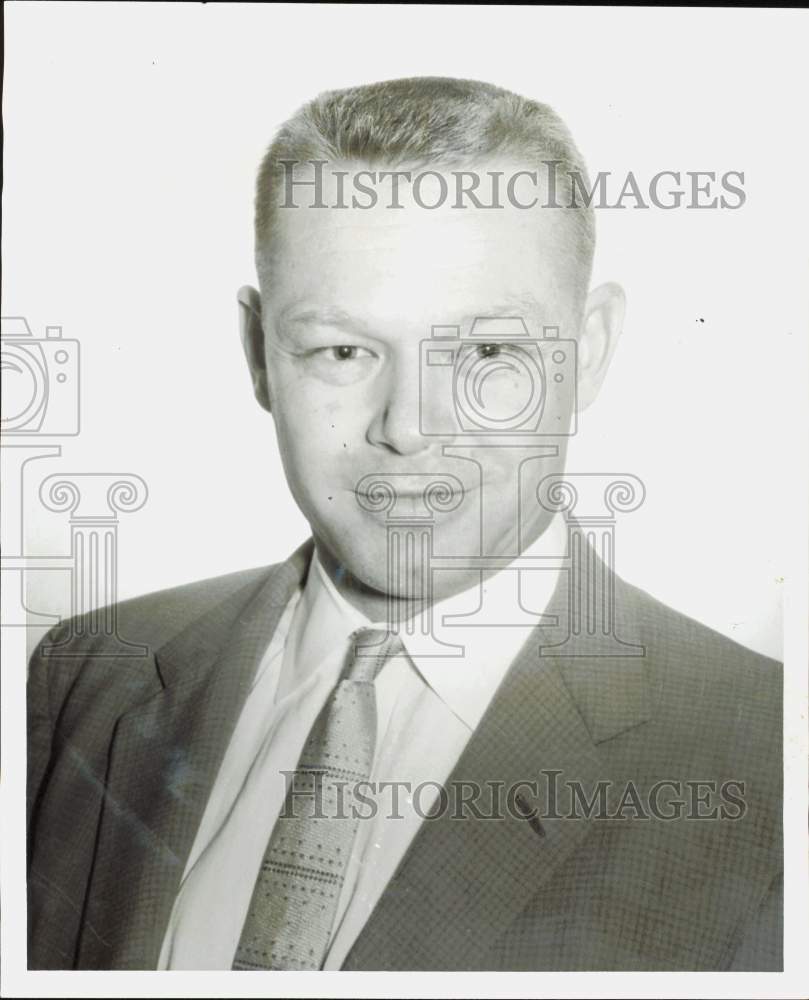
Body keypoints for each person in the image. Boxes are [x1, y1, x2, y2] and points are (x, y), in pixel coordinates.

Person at [26, 76, 782, 972]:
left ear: (587, 352)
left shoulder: (770, 763)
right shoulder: (83, 677)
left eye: (486, 351)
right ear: (258, 354)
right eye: (342, 351)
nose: (408, 426)